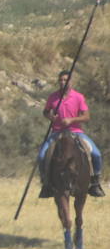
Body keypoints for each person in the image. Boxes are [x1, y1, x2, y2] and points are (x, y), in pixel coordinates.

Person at [39, 69, 105, 197]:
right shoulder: (53, 97)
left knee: (96, 154)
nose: (63, 82)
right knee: (42, 156)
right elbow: (46, 111)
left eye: (65, 80)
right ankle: (45, 184)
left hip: (76, 132)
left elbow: (86, 116)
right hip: (56, 132)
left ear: (71, 82)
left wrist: (72, 120)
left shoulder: (78, 97)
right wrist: (50, 117)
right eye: (61, 80)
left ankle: (95, 183)